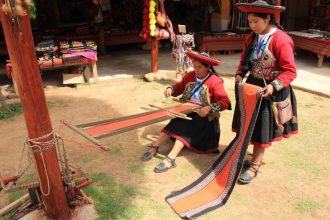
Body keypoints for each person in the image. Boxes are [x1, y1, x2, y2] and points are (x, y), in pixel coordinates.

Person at [233, 0, 298, 184]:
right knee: (248, 123)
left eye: (256, 21)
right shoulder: (251, 38)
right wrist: (240, 74)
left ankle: (255, 164)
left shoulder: (281, 40)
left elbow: (290, 71)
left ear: (267, 18)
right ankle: (250, 156)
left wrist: (273, 86)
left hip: (271, 89)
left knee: (261, 127)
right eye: (250, 21)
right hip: (253, 87)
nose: (252, 26)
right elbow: (245, 61)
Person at [142, 51, 231, 173]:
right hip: (188, 110)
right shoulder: (190, 76)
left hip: (205, 118)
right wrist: (171, 89)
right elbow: (179, 87)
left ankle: (170, 158)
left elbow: (225, 101)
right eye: (194, 66)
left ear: (208, 67)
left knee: (186, 125)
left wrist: (209, 108)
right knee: (177, 120)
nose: (196, 70)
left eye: (199, 67)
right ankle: (155, 146)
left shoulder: (215, 81)